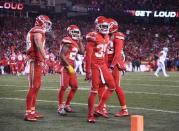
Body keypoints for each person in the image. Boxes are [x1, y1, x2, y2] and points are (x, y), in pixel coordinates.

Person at [85, 16, 117, 123]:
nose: (105, 28)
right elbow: (88, 55)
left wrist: (107, 67)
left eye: (106, 26)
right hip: (94, 65)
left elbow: (106, 54)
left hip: (102, 64)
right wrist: (88, 70)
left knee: (112, 86)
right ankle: (90, 115)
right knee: (94, 90)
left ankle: (99, 107)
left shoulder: (107, 36)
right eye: (103, 26)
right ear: (97, 26)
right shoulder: (93, 36)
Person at [98, 18, 128, 117]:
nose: (105, 27)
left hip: (115, 65)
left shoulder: (118, 36)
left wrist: (111, 66)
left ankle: (124, 109)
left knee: (115, 86)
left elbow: (117, 54)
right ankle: (102, 108)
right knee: (101, 85)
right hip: (106, 63)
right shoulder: (107, 36)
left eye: (107, 25)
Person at [24, 15, 52, 121]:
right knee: (33, 87)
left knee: (37, 87)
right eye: (46, 23)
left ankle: (32, 110)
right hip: (33, 60)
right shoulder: (37, 30)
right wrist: (45, 56)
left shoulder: (38, 30)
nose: (47, 26)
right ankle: (28, 113)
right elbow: (38, 41)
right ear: (40, 22)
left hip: (38, 61)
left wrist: (43, 59)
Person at [57, 25, 84, 115]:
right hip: (65, 67)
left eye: (77, 32)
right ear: (70, 32)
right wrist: (68, 66)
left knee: (75, 86)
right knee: (63, 87)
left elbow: (82, 52)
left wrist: (80, 41)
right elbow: (61, 55)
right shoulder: (67, 40)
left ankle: (67, 105)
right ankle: (60, 107)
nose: (76, 34)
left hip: (71, 67)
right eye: (74, 32)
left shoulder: (75, 42)